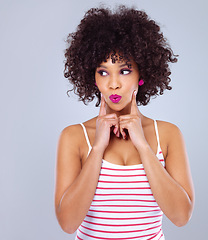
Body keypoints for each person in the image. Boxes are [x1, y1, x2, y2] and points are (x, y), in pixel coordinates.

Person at [54, 5, 194, 240]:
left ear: (142, 74)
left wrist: (143, 146)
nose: (114, 84)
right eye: (103, 72)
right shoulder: (75, 137)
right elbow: (68, 224)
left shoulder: (167, 135)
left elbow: (181, 217)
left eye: (125, 71)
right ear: (93, 77)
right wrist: (97, 148)